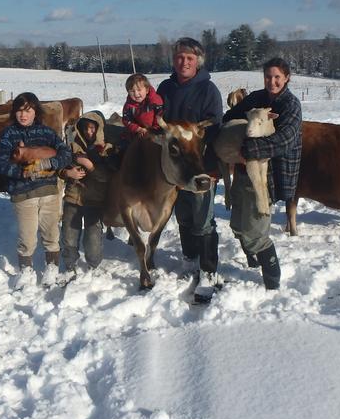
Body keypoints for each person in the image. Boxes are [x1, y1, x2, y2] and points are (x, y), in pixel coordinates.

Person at [223, 57, 302, 290]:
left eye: (277, 77)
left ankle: (272, 280)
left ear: (286, 77)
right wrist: (234, 133)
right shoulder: (256, 98)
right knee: (238, 224)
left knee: (255, 230)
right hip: (244, 170)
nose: (272, 81)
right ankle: (253, 259)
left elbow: (286, 138)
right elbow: (230, 117)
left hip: (271, 175)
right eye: (268, 76)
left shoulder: (290, 105)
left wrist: (250, 147)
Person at [157, 37, 224, 303]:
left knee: (203, 220)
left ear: (198, 62)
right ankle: (190, 259)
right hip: (174, 168)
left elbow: (216, 129)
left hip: (201, 166)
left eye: (189, 58)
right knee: (183, 216)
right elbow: (156, 121)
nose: (184, 62)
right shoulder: (165, 87)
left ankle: (208, 271)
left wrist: (214, 167)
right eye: (180, 57)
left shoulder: (208, 90)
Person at [0, 92, 72, 287]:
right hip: (23, 193)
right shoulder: (9, 134)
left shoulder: (46, 132)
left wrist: (48, 163)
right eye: (20, 110)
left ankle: (52, 267)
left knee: (51, 233)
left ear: (35, 111)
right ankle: (26, 270)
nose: (23, 115)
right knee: (27, 236)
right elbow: (1, 163)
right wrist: (21, 173)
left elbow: (66, 154)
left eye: (27, 110)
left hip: (48, 190)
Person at [59, 110, 114, 276]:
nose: (89, 132)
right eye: (86, 128)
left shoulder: (106, 148)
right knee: (68, 236)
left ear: (98, 129)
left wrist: (89, 166)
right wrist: (67, 173)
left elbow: (107, 177)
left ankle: (94, 265)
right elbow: (59, 166)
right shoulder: (71, 145)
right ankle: (70, 266)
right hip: (72, 197)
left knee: (93, 240)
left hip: (95, 200)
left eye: (92, 128)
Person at [121, 73, 164, 138]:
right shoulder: (128, 105)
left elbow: (159, 116)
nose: (136, 94)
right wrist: (138, 129)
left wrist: (153, 129)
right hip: (137, 131)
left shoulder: (155, 101)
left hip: (155, 130)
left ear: (146, 90)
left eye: (139, 90)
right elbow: (126, 120)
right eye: (132, 91)